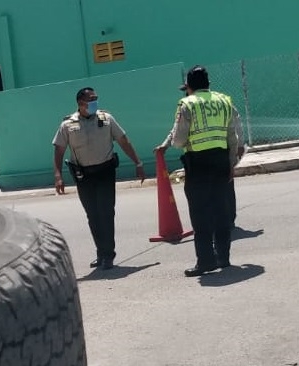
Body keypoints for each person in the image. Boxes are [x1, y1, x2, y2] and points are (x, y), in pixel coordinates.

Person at [157, 66, 245, 277]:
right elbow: (233, 136)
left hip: (198, 163)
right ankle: (223, 257)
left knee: (200, 214)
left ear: (189, 86)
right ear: (208, 84)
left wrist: (172, 144)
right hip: (222, 160)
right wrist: (232, 163)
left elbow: (178, 140)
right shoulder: (224, 100)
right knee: (221, 211)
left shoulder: (187, 104)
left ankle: (205, 261)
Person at [52, 87, 146, 270]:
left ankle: (108, 254)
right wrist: (58, 175)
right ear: (81, 103)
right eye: (91, 99)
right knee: (93, 215)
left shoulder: (107, 119)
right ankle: (101, 253)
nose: (95, 102)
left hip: (105, 172)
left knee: (106, 213)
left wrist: (138, 163)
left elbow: (123, 140)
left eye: (96, 98)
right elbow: (59, 149)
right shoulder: (67, 125)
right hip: (83, 176)